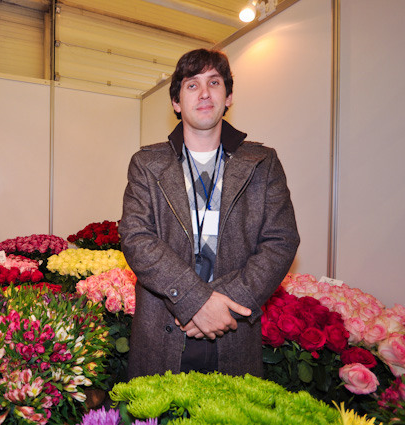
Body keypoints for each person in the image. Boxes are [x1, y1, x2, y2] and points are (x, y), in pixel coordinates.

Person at [119, 48, 300, 378]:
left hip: (232, 327)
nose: (204, 93)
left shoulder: (263, 163)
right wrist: (195, 301)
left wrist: (222, 305)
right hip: (163, 326)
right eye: (192, 84)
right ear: (176, 102)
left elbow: (281, 242)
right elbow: (136, 238)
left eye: (214, 82)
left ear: (228, 96)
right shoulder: (146, 164)